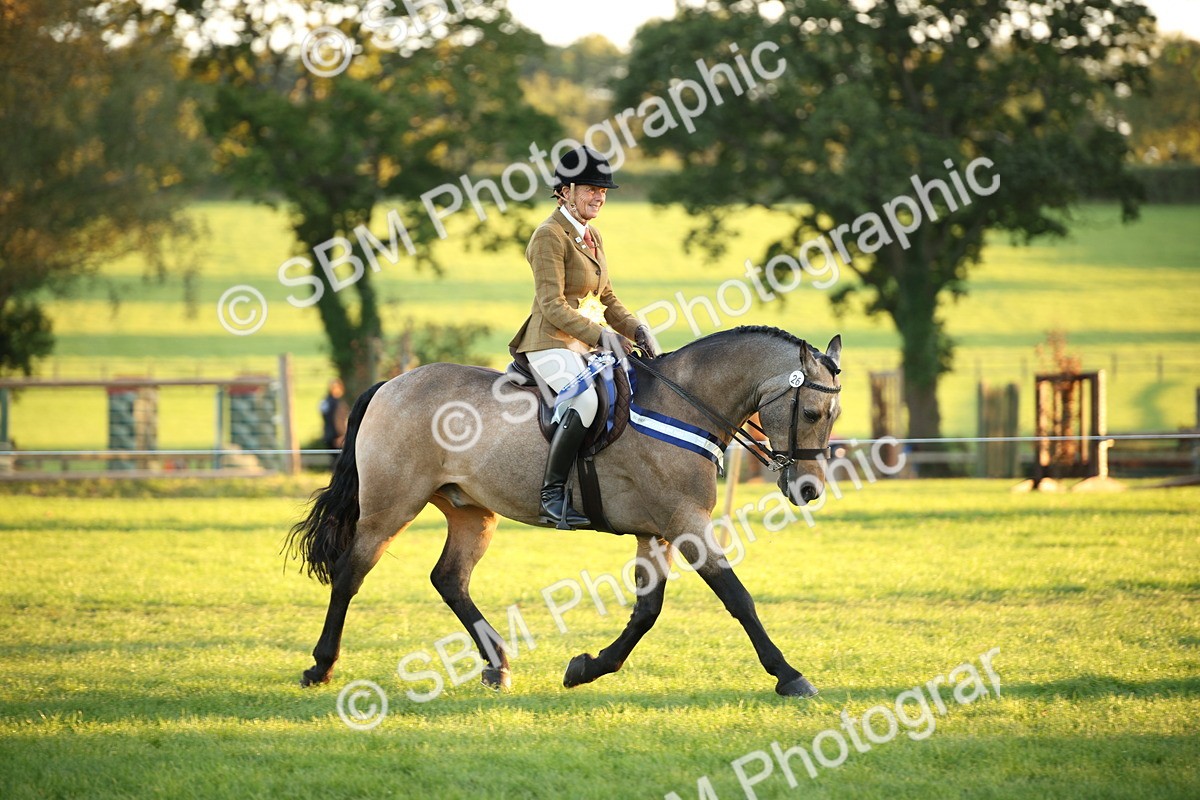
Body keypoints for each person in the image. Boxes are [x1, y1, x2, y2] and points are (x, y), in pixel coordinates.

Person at [509, 146, 659, 529]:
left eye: (603, 191)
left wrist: (637, 328)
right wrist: (605, 337)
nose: (599, 197)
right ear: (566, 191)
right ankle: (552, 496)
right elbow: (553, 305)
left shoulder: (593, 236)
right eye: (591, 189)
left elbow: (606, 298)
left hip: (583, 343)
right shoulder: (548, 236)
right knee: (587, 400)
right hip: (549, 342)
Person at [319, 378, 348, 452]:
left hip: (327, 435)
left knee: (333, 461)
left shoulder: (325, 401)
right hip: (337, 437)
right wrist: (342, 436)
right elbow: (338, 420)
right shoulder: (338, 403)